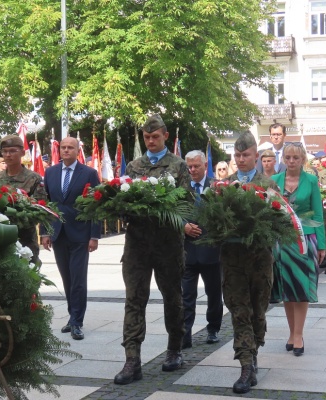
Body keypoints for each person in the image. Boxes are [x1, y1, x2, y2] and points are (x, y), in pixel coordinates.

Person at [114, 114, 191, 385]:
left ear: (165, 136)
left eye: (155, 136)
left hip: (168, 246)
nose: (151, 141)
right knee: (134, 300)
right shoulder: (135, 166)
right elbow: (123, 198)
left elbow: (185, 204)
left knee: (172, 298)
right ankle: (132, 360)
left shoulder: (179, 165)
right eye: (147, 137)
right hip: (137, 246)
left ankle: (174, 349)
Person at [221, 131, 277, 394]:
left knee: (258, 311)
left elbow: (279, 222)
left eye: (246, 155)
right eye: (238, 155)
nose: (241, 159)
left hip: (260, 261)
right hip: (233, 262)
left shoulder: (269, 186)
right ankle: (245, 366)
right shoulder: (221, 186)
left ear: (256, 156)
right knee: (239, 311)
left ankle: (253, 354)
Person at [41, 137, 101, 341]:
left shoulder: (89, 173)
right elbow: (45, 204)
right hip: (59, 233)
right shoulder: (50, 172)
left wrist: (94, 235)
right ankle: (72, 315)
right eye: (63, 148)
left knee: (78, 279)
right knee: (67, 278)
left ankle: (77, 321)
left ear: (77, 151)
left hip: (80, 234)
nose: (66, 150)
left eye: (70, 148)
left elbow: (96, 205)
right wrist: (45, 232)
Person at [271, 143, 326, 358]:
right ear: (283, 159)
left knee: (301, 287)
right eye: (288, 157)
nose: (292, 161)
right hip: (282, 241)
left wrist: (322, 245)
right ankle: (291, 332)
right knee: (287, 287)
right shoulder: (274, 181)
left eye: (296, 157)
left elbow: (319, 214)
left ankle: (299, 334)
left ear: (303, 159)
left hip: (305, 240)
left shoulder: (311, 181)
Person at [182, 150, 223, 350]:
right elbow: (173, 212)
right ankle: (185, 333)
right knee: (186, 295)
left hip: (211, 251)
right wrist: (183, 226)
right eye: (189, 167)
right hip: (187, 252)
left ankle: (213, 328)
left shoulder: (217, 187)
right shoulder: (181, 188)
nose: (192, 170)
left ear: (205, 165)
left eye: (196, 166)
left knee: (214, 293)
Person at [0, 135, 47, 263]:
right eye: (5, 151)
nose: (8, 155)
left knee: (29, 276)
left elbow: (40, 209)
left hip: (26, 240)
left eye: (12, 151)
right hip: (1, 239)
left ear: (22, 152)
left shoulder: (34, 178)